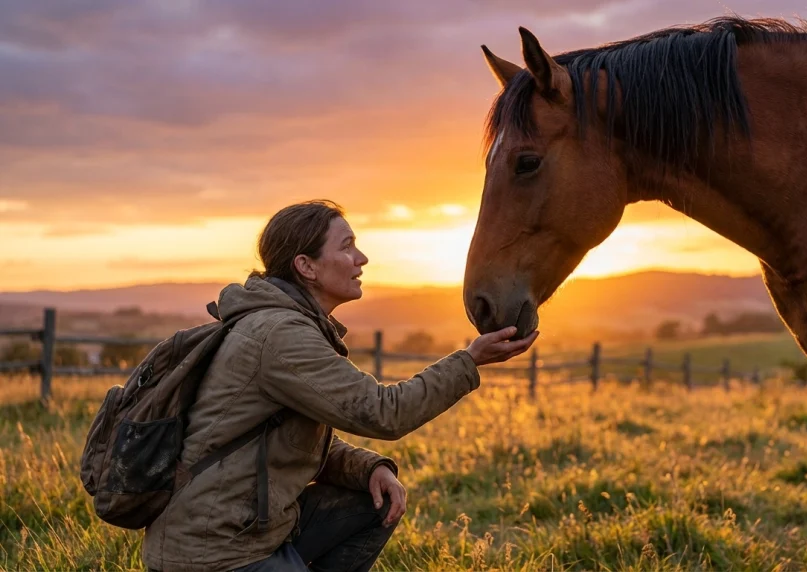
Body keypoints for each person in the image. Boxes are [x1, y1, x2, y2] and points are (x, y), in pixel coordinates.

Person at [142, 200, 539, 572]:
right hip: (215, 551)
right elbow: (384, 412)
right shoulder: (280, 335)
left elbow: (284, 436)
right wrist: (470, 361)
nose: (361, 259)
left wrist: (368, 467)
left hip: (245, 527)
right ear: (307, 267)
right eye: (347, 246)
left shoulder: (282, 325)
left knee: (374, 502)